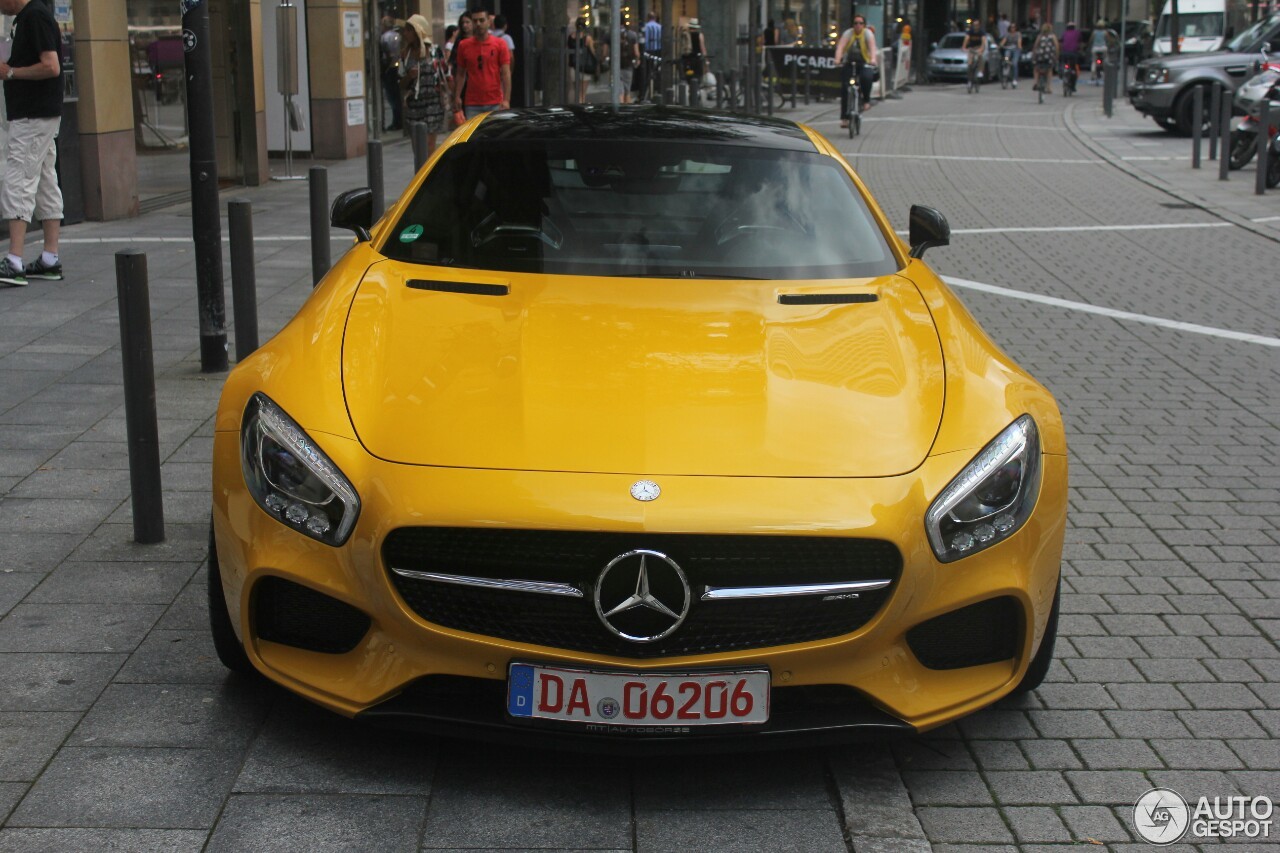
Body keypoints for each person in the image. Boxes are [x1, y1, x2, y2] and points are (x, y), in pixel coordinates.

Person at [0, 0, 64, 287]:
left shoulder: (33, 17)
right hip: (41, 114)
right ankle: (50, 258)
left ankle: (14, 260)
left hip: (32, 115)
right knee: (45, 181)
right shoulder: (33, 16)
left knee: (19, 179)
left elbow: (51, 66)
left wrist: (11, 72)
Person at [401, 14, 449, 157]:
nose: (406, 34)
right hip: (415, 105)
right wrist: (409, 76)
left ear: (417, 31)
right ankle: (421, 174)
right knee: (417, 147)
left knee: (429, 145)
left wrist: (452, 96)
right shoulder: (405, 54)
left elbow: (446, 74)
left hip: (433, 104)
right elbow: (401, 83)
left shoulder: (435, 51)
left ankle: (429, 176)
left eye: (409, 30)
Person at [454, 8, 510, 118]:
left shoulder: (500, 44)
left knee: (494, 134)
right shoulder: (464, 45)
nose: (478, 24)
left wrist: (506, 100)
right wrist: (457, 96)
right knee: (474, 134)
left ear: (489, 21)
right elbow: (460, 73)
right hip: (472, 103)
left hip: (495, 101)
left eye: (481, 20)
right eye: (475, 21)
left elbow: (506, 73)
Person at [835, 14, 877, 127]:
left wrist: (873, 59)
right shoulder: (848, 33)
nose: (858, 25)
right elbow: (840, 47)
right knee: (845, 88)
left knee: (867, 77)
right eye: (855, 23)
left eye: (860, 23)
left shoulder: (868, 34)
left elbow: (872, 48)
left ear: (864, 25)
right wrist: (837, 59)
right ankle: (844, 118)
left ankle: (866, 101)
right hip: (849, 62)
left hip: (864, 62)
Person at [379, 17, 403, 131]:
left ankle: (397, 121)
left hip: (389, 68)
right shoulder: (398, 36)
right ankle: (399, 120)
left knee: (392, 96)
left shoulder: (385, 37)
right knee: (396, 96)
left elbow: (387, 53)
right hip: (397, 67)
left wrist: (385, 68)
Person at [566, 17, 595, 104]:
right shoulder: (588, 38)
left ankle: (578, 104)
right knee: (582, 93)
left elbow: (568, 51)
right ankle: (581, 106)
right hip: (585, 67)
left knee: (577, 91)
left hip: (574, 67)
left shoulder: (570, 37)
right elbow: (593, 52)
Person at [961, 18, 988, 89]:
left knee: (981, 57)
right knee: (970, 64)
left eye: (977, 25)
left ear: (979, 25)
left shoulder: (981, 32)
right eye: (974, 25)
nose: (975, 26)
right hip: (971, 48)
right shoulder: (970, 31)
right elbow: (966, 39)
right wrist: (963, 47)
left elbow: (983, 41)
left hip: (979, 47)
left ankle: (980, 71)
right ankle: (969, 81)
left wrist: (981, 49)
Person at [1032, 22, 1058, 95]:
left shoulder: (1039, 36)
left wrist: (1034, 55)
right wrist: (1056, 55)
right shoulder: (1053, 36)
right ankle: (1048, 87)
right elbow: (1056, 46)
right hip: (1049, 56)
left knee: (1036, 68)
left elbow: (1035, 46)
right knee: (1049, 70)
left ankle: (1036, 82)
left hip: (1039, 55)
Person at [619, 19, 639, 103]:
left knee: (619, 92)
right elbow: (637, 53)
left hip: (615, 67)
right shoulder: (633, 35)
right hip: (628, 65)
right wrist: (637, 60)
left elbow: (605, 52)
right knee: (627, 91)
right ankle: (626, 111)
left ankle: (619, 110)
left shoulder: (610, 34)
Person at [1089, 19, 1110, 83]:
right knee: (1106, 59)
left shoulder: (1094, 32)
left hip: (1095, 48)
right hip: (1103, 48)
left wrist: (1089, 44)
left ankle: (1092, 75)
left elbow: (1091, 40)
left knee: (1094, 61)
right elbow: (1108, 40)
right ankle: (1106, 73)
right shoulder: (1105, 32)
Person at [1001, 21, 1021, 88]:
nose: (1013, 28)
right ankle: (1006, 70)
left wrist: (1019, 46)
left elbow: (1019, 41)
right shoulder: (1007, 34)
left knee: (1015, 63)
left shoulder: (1018, 34)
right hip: (1008, 49)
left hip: (1016, 50)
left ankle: (1015, 79)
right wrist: (1000, 45)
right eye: (1011, 27)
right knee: (1006, 57)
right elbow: (1004, 41)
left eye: (1014, 27)